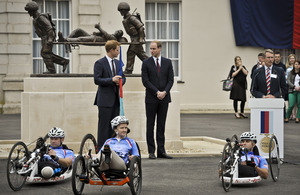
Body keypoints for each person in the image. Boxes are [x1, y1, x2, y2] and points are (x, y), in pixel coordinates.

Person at [141, 40, 174, 159]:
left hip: (164, 99)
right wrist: (156, 92)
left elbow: (171, 80)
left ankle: (161, 151)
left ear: (160, 49)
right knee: (150, 125)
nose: (151, 51)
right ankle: (151, 151)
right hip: (151, 98)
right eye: (150, 49)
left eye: (154, 49)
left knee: (161, 125)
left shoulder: (168, 62)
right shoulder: (146, 63)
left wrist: (165, 92)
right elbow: (145, 81)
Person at [94, 40, 126, 149]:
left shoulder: (118, 63)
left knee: (115, 128)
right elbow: (97, 79)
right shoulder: (100, 63)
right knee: (104, 128)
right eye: (117, 50)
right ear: (111, 50)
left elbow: (124, 78)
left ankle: (114, 149)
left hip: (116, 100)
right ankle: (102, 150)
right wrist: (111, 80)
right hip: (104, 101)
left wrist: (120, 81)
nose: (118, 52)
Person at [24, 1, 69, 74]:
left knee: (44, 53)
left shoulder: (40, 17)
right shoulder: (36, 18)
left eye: (29, 11)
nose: (28, 13)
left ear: (32, 11)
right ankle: (63, 62)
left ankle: (52, 70)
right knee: (47, 53)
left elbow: (49, 28)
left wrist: (50, 39)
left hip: (48, 37)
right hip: (44, 37)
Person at [117, 2, 148, 74]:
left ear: (125, 10)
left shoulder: (132, 18)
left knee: (130, 53)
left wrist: (140, 38)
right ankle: (153, 65)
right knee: (141, 55)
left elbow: (140, 27)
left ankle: (128, 70)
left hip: (136, 39)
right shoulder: (126, 18)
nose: (120, 12)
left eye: (121, 11)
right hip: (133, 38)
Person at [57, 23, 128, 43]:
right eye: (118, 30)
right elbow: (104, 34)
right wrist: (97, 33)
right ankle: (67, 39)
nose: (117, 32)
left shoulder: (113, 39)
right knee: (79, 30)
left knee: (80, 39)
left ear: (119, 36)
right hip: (93, 36)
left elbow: (106, 34)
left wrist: (99, 27)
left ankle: (65, 40)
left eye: (119, 33)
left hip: (94, 40)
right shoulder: (112, 35)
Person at [286, 54, 297, 120]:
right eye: (290, 58)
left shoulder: (297, 67)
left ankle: (294, 114)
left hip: (296, 85)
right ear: (289, 60)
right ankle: (290, 114)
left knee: (295, 101)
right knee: (290, 101)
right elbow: (286, 78)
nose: (292, 59)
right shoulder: (287, 67)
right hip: (289, 85)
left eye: (293, 58)